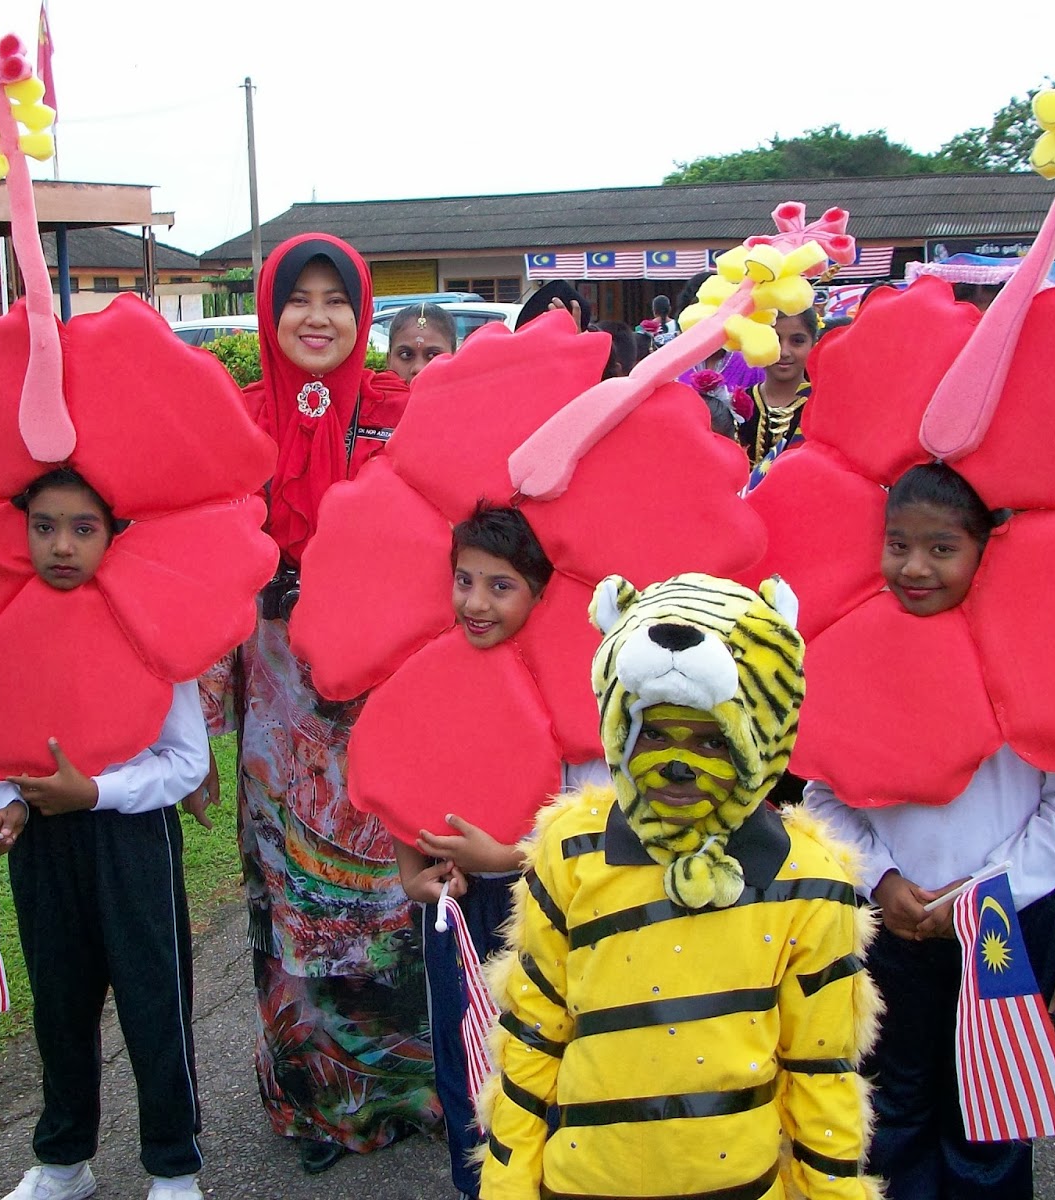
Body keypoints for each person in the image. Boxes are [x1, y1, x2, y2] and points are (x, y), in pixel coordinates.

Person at [478, 572, 882, 1200]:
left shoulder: (811, 881)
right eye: (655, 733)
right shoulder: (570, 849)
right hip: (585, 1182)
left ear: (761, 738)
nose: (675, 763)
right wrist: (506, 1185)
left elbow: (820, 1073)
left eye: (711, 739)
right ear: (618, 729)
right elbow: (532, 1036)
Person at [804, 462, 1055, 1200]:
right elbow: (822, 790)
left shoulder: (1034, 664)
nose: (914, 566)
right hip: (891, 926)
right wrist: (881, 877)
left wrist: (985, 890)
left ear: (984, 550)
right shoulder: (853, 657)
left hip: (1001, 929)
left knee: (988, 1113)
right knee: (890, 1098)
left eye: (942, 549)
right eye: (898, 544)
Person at [213, 232, 438, 1175]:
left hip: (381, 685)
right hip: (275, 693)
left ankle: (407, 1086)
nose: (316, 316)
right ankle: (316, 1102)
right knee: (294, 888)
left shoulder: (405, 410)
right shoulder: (234, 417)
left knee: (388, 881)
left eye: (335, 299)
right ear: (271, 313)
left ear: (362, 311)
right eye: (296, 299)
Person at [0, 466, 209, 1200]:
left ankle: (174, 1166)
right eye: (44, 526)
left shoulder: (149, 629)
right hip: (46, 844)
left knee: (155, 1001)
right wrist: (4, 798)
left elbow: (186, 763)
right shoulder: (5, 627)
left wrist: (99, 791)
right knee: (59, 1003)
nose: (62, 546)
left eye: (84, 529)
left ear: (114, 537)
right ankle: (62, 1159)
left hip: (131, 838)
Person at [390, 505, 607, 1200]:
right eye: (464, 581)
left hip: (546, 912)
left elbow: (596, 824)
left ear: (541, 594)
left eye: (500, 586)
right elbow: (401, 777)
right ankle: (474, 1185)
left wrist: (508, 857)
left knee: (546, 1056)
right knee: (461, 1054)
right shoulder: (433, 674)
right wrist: (411, 875)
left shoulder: (577, 692)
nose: (476, 603)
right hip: (453, 908)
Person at [739, 309, 818, 463]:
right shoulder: (736, 406)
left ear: (813, 345)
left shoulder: (825, 408)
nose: (784, 352)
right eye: (774, 340)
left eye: (797, 341)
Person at [386, 302, 457, 384]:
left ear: (455, 358)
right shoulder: (373, 395)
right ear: (389, 360)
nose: (418, 369)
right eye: (406, 355)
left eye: (433, 355)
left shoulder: (470, 396)